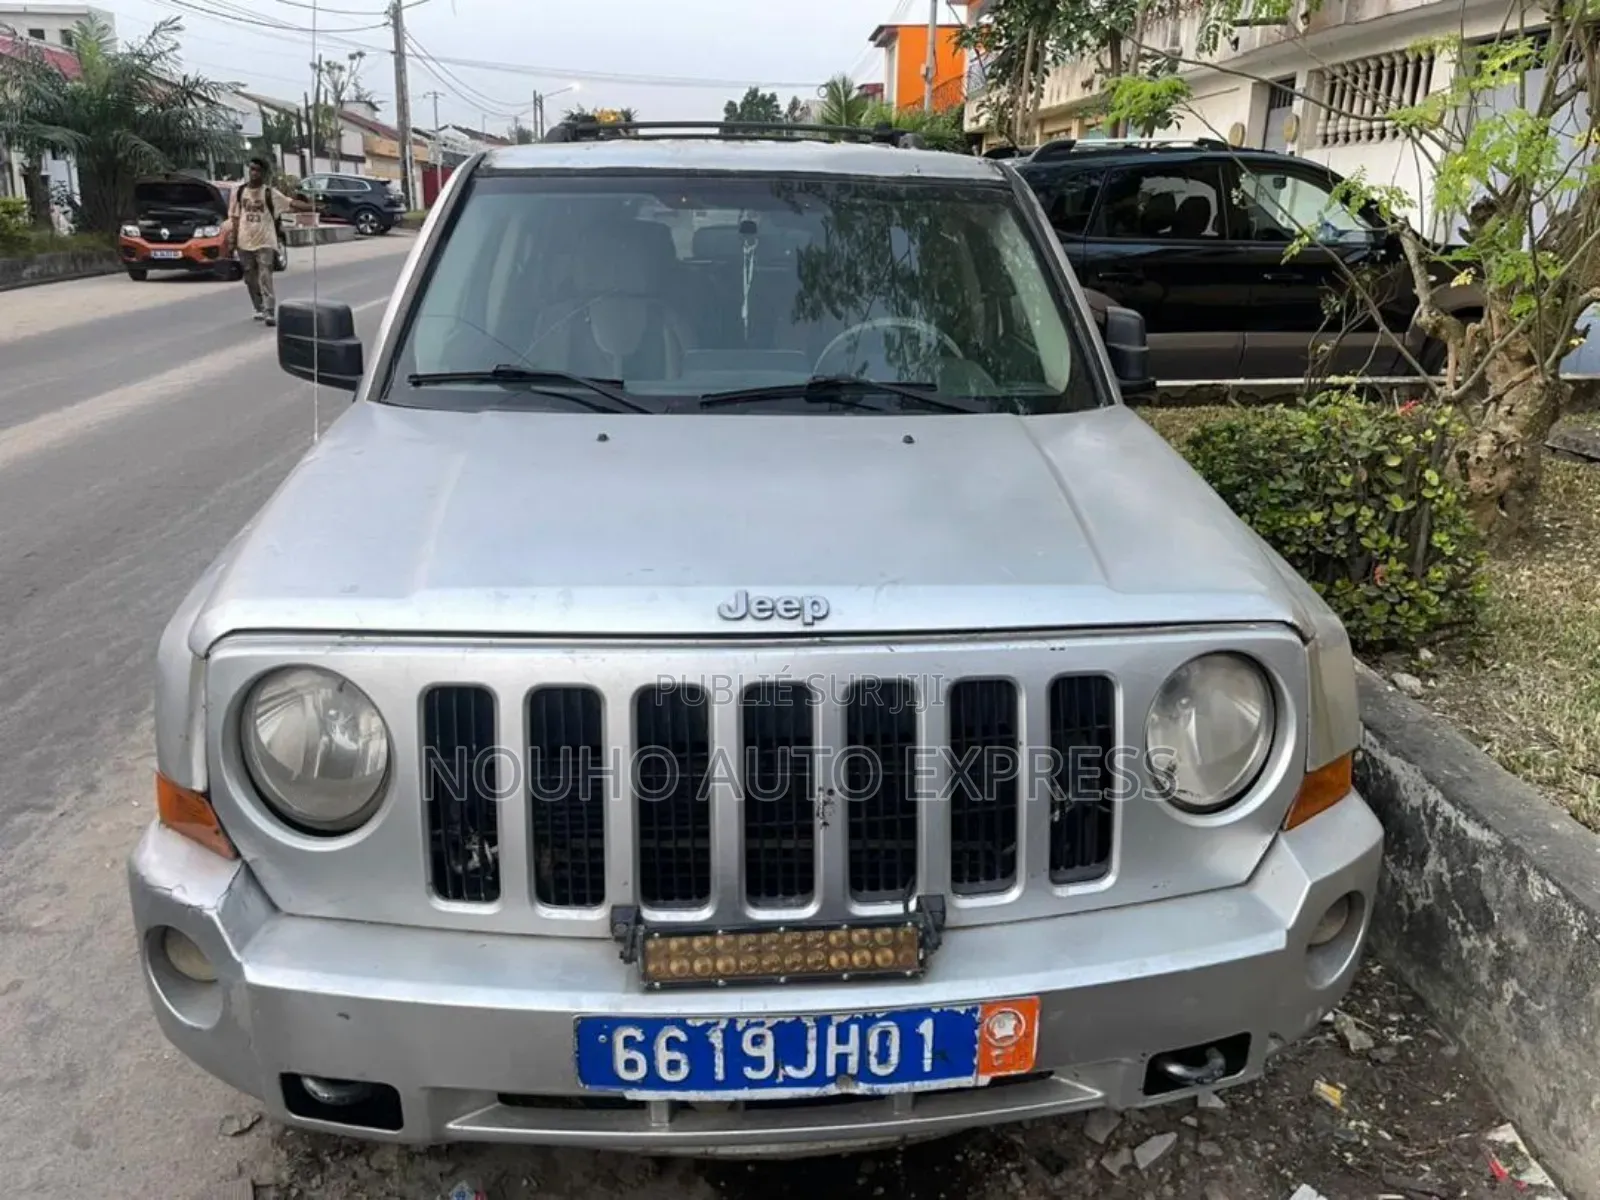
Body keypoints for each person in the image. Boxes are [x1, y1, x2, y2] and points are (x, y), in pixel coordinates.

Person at [228, 158, 315, 326]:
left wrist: (313, 207)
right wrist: (233, 241)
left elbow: (291, 203)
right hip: (244, 241)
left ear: (263, 173)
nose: (254, 173)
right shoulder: (240, 192)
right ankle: (259, 306)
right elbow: (235, 218)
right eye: (252, 169)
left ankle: (269, 311)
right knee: (250, 277)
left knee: (265, 275)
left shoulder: (270, 193)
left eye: (257, 170)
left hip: (265, 241)